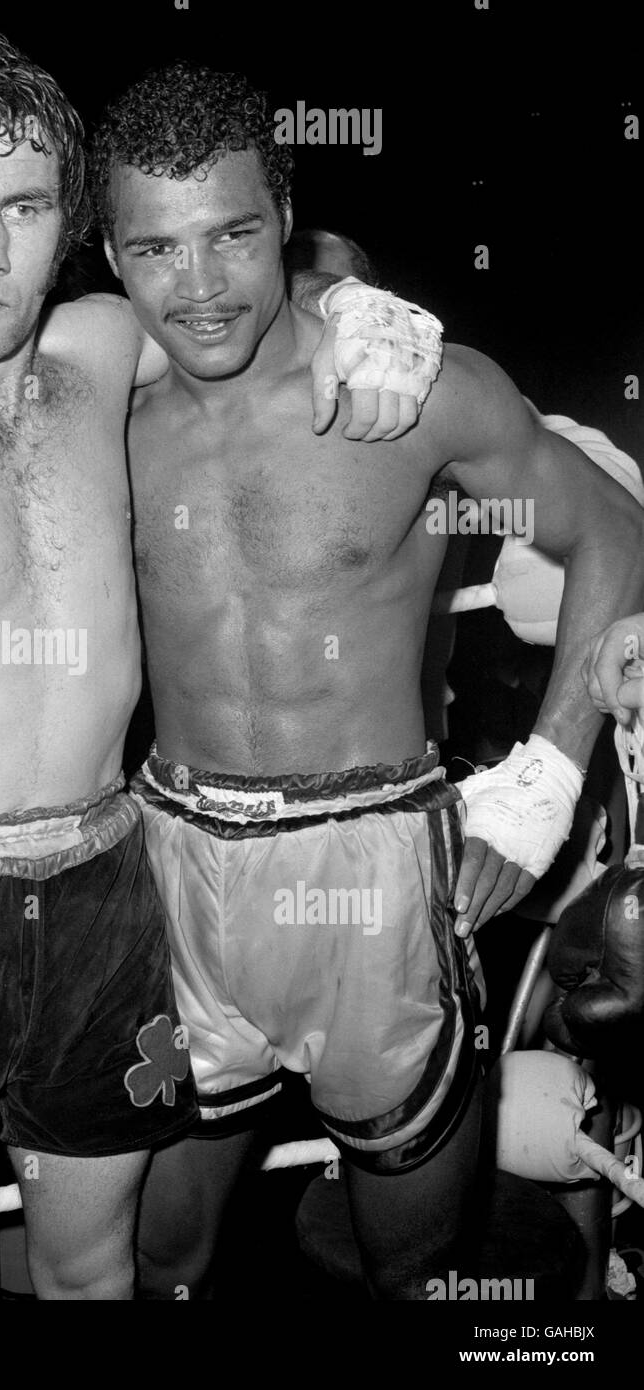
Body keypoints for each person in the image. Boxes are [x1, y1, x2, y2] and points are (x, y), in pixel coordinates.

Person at [0, 29, 434, 1300]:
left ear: (71, 225)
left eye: (25, 206)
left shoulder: (104, 349)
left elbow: (231, 285)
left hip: (107, 900)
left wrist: (359, 301)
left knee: (97, 1273)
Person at [80, 64, 644, 1299]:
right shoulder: (90, 409)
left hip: (378, 872)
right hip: (174, 870)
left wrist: (545, 774)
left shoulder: (414, 389)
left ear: (284, 212)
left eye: (233, 234)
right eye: (157, 248)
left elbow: (614, 528)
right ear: (112, 258)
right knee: (162, 1256)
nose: (202, 285)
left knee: (413, 1267)